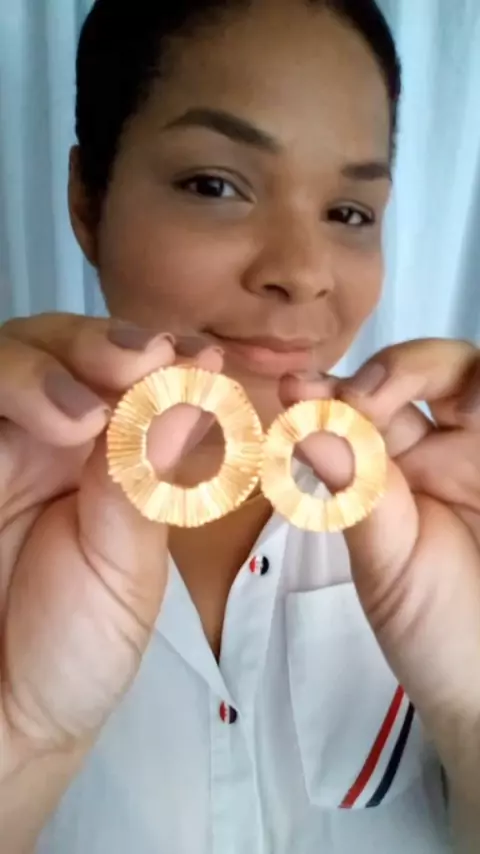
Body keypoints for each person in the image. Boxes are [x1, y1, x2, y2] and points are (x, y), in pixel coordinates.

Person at [1, 0, 480, 851]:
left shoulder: (447, 526)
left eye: (350, 212)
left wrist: (472, 716)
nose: (303, 272)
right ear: (87, 201)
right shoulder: (16, 527)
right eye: (215, 186)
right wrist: (21, 744)